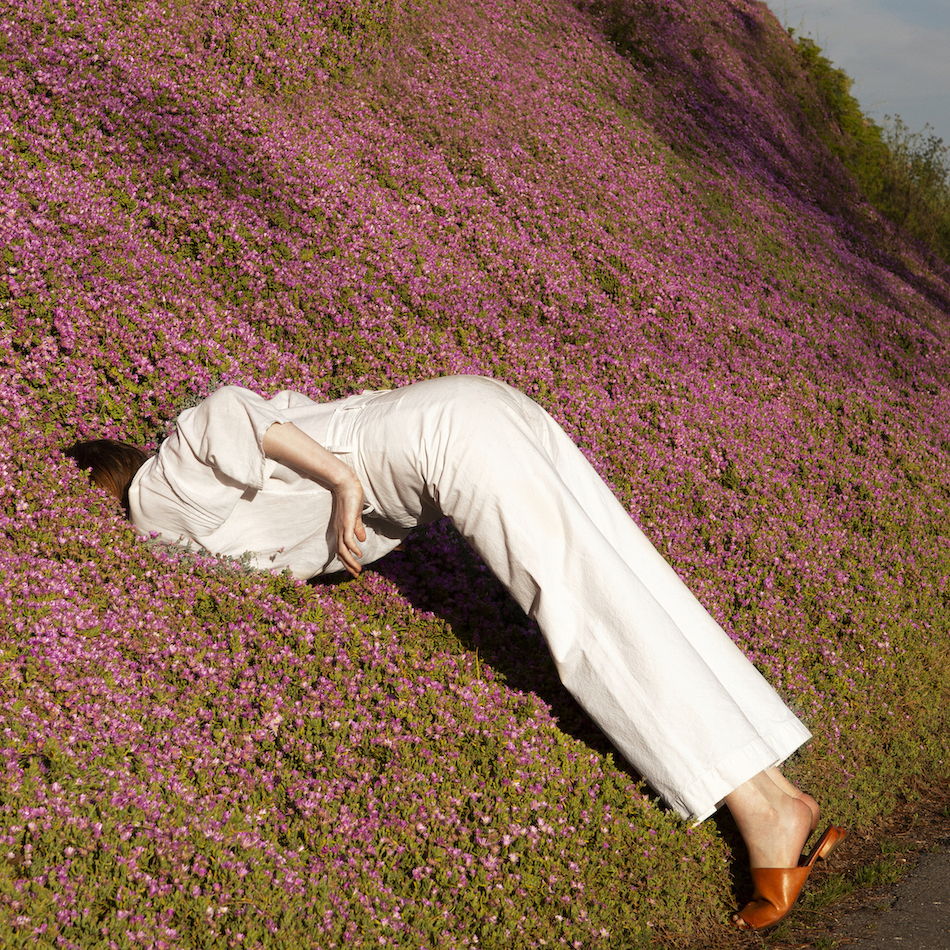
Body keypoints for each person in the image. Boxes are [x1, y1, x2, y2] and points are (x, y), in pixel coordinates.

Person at [68, 374, 844, 930]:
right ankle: (774, 788)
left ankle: (764, 811)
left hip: (449, 442)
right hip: (470, 415)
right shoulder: (190, 509)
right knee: (623, 578)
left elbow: (226, 410)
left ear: (101, 487)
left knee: (580, 615)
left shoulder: (157, 496)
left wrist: (341, 482)